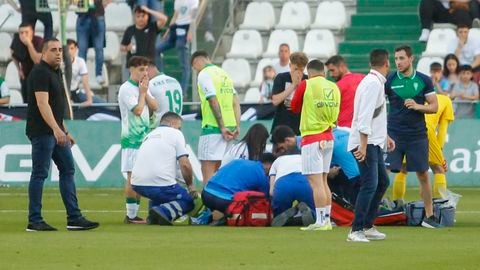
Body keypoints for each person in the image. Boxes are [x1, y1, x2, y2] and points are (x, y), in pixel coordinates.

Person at [25, 38, 99, 231]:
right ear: (44, 53)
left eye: (60, 50)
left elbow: (56, 107)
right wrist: (56, 129)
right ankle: (34, 220)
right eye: (53, 50)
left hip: (56, 131)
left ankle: (74, 218)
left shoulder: (55, 71)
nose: (58, 53)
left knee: (68, 170)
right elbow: (42, 104)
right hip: (42, 132)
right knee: (40, 173)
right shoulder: (40, 72)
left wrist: (64, 129)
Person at [385, 45, 441, 228]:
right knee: (382, 174)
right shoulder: (390, 79)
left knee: (423, 174)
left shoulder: (424, 80)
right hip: (393, 135)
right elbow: (377, 105)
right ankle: (375, 214)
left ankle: (430, 216)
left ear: (411, 59)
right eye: (396, 59)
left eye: (401, 58)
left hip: (417, 136)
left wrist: (418, 107)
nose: (398, 62)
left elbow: (434, 106)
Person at [347, 48, 393, 242]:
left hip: (373, 141)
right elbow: (364, 118)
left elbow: (375, 115)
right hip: (366, 143)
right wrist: (363, 145)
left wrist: (386, 137)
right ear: (387, 63)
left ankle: (367, 225)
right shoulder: (373, 84)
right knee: (370, 184)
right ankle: (356, 230)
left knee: (382, 182)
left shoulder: (373, 82)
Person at [290, 59, 340, 231]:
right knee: (324, 180)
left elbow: (295, 107)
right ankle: (326, 219)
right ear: (323, 72)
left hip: (312, 137)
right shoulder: (334, 87)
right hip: (328, 136)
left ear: (309, 73)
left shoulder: (306, 85)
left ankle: (320, 221)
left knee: (315, 182)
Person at [131, 112, 196, 225]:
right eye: (179, 127)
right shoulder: (176, 133)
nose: (180, 130)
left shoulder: (149, 135)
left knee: (160, 191)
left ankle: (154, 215)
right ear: (172, 123)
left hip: (137, 184)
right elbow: (184, 164)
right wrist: (190, 186)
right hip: (159, 184)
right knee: (188, 201)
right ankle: (163, 212)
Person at [118, 56, 158, 224]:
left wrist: (145, 91)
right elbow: (138, 110)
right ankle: (131, 215)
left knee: (140, 177)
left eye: (146, 69)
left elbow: (155, 106)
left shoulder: (143, 87)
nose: (144, 72)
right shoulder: (126, 89)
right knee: (132, 177)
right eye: (141, 69)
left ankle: (134, 215)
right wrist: (142, 93)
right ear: (131, 70)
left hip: (144, 139)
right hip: (132, 140)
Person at [392, 94, 454, 202]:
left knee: (403, 168)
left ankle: (397, 205)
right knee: (438, 169)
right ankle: (441, 206)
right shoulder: (446, 100)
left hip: (406, 128)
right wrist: (440, 154)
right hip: (425, 129)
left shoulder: (414, 96)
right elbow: (442, 130)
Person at [190, 50, 241, 183]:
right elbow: (235, 102)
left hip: (213, 129)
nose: (195, 71)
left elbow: (213, 100)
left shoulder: (204, 74)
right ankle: (223, 202)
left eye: (194, 68)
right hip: (231, 129)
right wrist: (237, 126)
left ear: (196, 62)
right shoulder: (225, 74)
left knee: (208, 171)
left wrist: (222, 127)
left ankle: (209, 203)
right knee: (223, 171)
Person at [202, 154, 275, 221]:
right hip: (225, 200)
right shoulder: (262, 174)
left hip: (206, 194)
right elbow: (266, 201)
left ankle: (212, 217)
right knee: (256, 204)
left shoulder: (237, 161)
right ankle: (228, 218)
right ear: (269, 166)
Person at [156, 0, 199, 97]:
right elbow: (175, 16)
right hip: (175, 29)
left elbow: (193, 17)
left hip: (185, 29)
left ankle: (183, 92)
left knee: (184, 63)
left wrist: (190, 32)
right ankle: (161, 78)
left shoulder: (194, 1)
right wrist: (167, 32)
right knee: (157, 49)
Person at [269, 146, 315, 227]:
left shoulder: (277, 161)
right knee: (314, 213)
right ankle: (305, 215)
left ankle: (290, 216)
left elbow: (271, 192)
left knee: (278, 216)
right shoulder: (306, 159)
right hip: (304, 181)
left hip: (283, 183)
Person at [271, 52, 309, 135]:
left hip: (300, 128)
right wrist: (293, 85)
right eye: (295, 69)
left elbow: (310, 104)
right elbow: (275, 101)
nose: (298, 72)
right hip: (281, 125)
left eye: (301, 70)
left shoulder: (308, 80)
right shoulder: (281, 77)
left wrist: (299, 86)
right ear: (290, 65)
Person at [76, 0, 112, 85]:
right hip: (83, 16)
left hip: (97, 16)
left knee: (99, 48)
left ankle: (98, 74)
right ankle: (81, 74)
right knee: (82, 49)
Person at [325, 55, 365, 128]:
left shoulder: (336, 87)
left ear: (342, 66)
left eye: (332, 70)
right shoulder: (363, 78)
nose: (331, 75)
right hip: (361, 128)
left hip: (343, 129)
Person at [10, 22, 43, 103]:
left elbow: (36, 60)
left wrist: (29, 44)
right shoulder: (17, 41)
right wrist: (19, 69)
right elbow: (12, 53)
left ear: (32, 32)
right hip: (25, 74)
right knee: (26, 100)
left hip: (38, 75)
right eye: (21, 33)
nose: (24, 35)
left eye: (26, 32)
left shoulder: (39, 41)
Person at [66, 39, 105, 106]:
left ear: (76, 49)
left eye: (71, 48)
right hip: (63, 94)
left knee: (101, 103)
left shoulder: (80, 61)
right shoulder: (59, 62)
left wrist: (89, 100)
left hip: (76, 92)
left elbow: (85, 81)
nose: (69, 51)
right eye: (67, 49)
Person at [147, 61, 182, 126]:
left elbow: (148, 112)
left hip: (160, 128)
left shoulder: (150, 84)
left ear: (150, 67)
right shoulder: (175, 81)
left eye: (144, 70)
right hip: (177, 127)